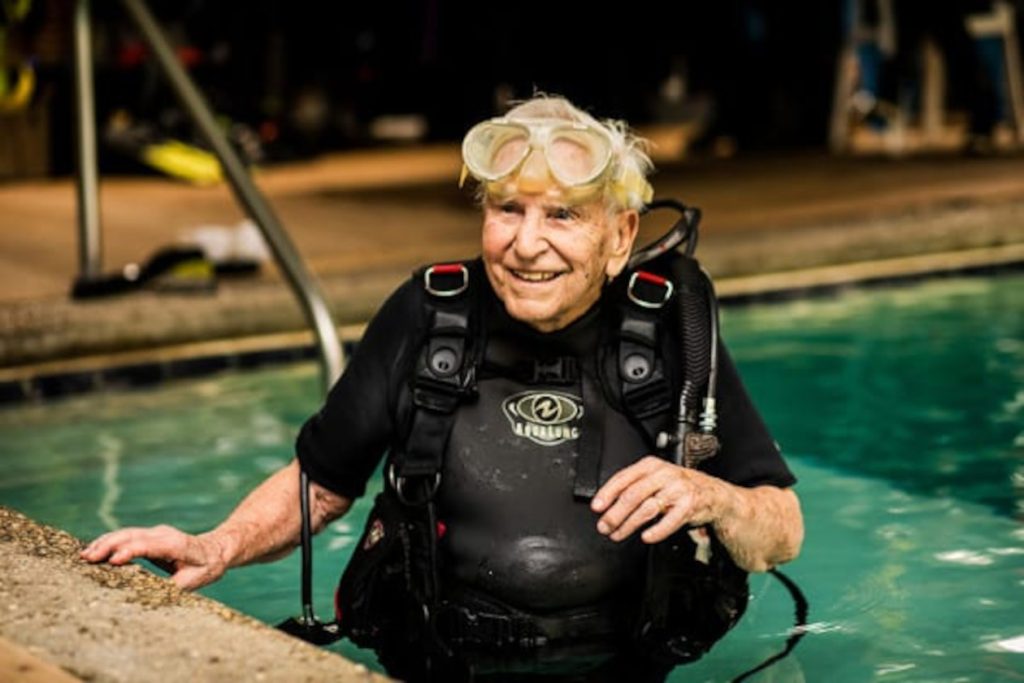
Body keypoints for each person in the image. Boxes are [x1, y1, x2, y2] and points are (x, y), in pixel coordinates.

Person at [81, 94, 803, 682]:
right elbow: (323, 480)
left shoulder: (672, 326)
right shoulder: (431, 312)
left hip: (624, 667)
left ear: (619, 235)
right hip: (439, 665)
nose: (526, 243)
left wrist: (715, 496)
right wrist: (219, 544)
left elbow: (785, 528)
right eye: (506, 209)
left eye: (562, 215)